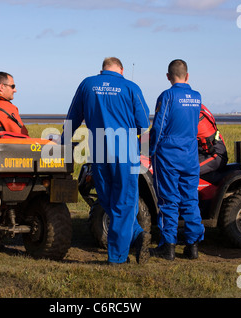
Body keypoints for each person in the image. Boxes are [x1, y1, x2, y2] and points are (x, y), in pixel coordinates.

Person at [62, 57, 151, 265]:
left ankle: (135, 235)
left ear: (103, 69)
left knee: (107, 199)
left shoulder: (87, 84)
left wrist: (64, 141)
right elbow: (143, 123)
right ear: (121, 70)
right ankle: (119, 256)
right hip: (126, 151)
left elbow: (73, 116)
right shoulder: (130, 87)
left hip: (99, 150)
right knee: (125, 201)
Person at [149, 59, 204, 260]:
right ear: (187, 75)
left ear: (168, 76)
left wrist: (151, 150)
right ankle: (193, 246)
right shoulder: (197, 97)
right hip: (190, 156)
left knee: (168, 200)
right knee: (190, 200)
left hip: (168, 156)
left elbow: (159, 126)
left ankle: (168, 246)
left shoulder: (167, 96)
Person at [198, 104, 228, 175]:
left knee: (184, 172)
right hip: (206, 152)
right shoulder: (198, 106)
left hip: (214, 156)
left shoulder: (195, 118)